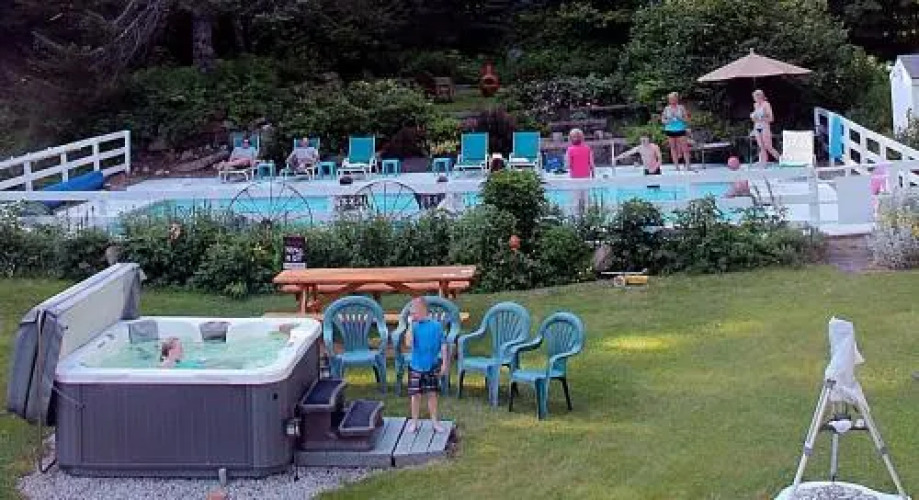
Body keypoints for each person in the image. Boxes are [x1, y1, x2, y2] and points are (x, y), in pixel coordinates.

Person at [405, 297, 448, 433]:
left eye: (414, 312)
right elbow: (408, 344)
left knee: (432, 394)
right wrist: (410, 326)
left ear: (423, 311)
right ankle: (414, 422)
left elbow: (443, 345)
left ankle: (435, 422)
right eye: (411, 313)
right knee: (415, 396)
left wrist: (444, 363)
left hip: (432, 366)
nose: (412, 315)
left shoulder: (436, 326)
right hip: (416, 367)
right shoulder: (414, 327)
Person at [661, 92, 692, 171]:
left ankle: (688, 166)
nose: (672, 100)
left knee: (685, 148)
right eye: (670, 99)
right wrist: (669, 120)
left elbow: (686, 119)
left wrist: (679, 118)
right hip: (670, 129)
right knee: (673, 148)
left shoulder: (681, 107)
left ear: (676, 99)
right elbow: (663, 120)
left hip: (680, 129)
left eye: (673, 98)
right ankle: (676, 166)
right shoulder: (666, 108)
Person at [751, 90, 781, 166]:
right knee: (761, 146)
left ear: (759, 96)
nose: (754, 99)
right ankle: (763, 162)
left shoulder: (766, 104)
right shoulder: (755, 105)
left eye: (755, 97)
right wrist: (753, 118)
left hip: (764, 126)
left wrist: (761, 118)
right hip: (757, 127)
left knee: (768, 146)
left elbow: (771, 118)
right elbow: (755, 119)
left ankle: (780, 159)